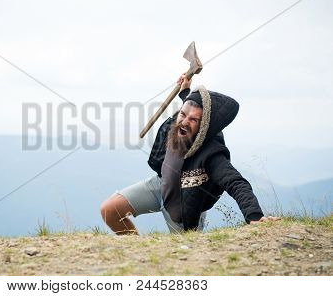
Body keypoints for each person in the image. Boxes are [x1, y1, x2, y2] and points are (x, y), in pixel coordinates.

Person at [100, 74, 279, 235]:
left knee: (181, 261)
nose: (184, 122)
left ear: (204, 127)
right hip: (160, 186)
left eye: (193, 120)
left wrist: (254, 215)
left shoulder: (212, 153)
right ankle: (139, 253)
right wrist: (185, 89)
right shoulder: (178, 124)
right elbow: (192, 106)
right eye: (182, 114)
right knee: (110, 210)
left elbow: (235, 182)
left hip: (183, 208)